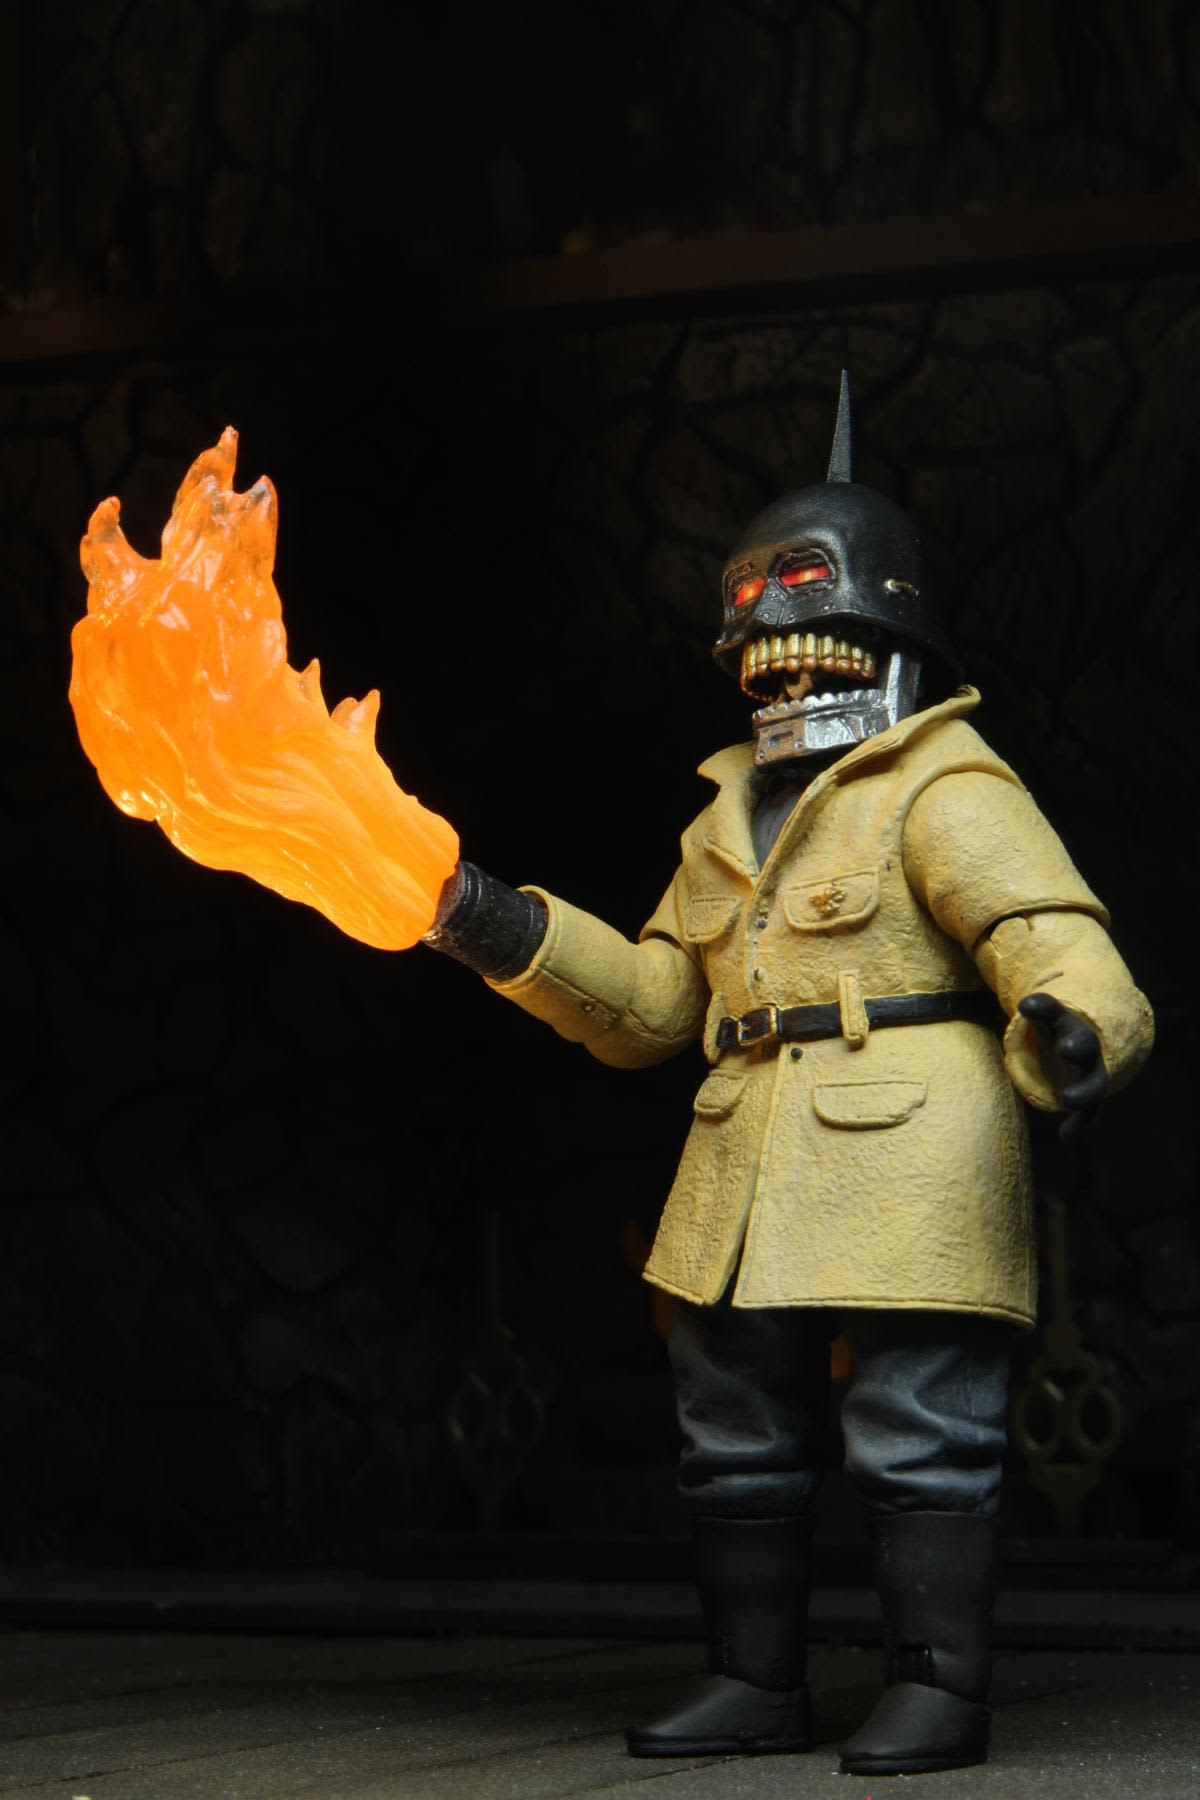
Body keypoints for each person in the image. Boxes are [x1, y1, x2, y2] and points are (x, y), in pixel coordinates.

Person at [423, 374, 1153, 1776]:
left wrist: (1076, 1027)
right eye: (760, 642)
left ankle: (937, 1686)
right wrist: (498, 926)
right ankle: (753, 1677)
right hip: (744, 1157)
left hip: (911, 1143)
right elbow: (653, 1004)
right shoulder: (724, 821)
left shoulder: (942, 784)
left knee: (919, 1423)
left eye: (812, 636)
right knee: (733, 1430)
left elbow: (1052, 937)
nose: (785, 667)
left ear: (891, 634)